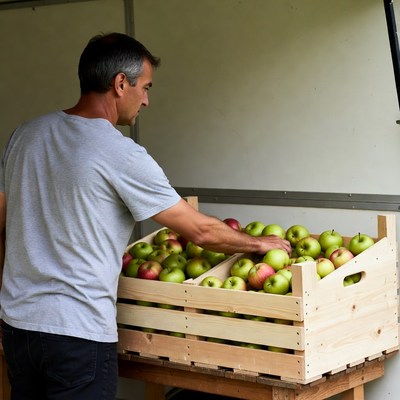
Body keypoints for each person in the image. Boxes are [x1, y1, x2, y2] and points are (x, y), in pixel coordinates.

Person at [0, 32, 291, 400]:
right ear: (120, 84)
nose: (147, 101)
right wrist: (258, 243)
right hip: (77, 334)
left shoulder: (25, 135)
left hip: (18, 328)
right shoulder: (120, 153)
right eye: (146, 87)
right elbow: (200, 231)